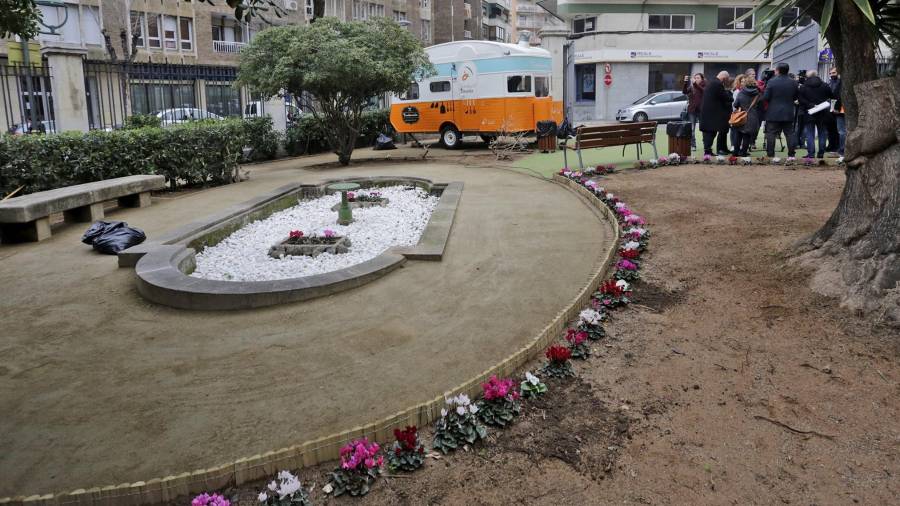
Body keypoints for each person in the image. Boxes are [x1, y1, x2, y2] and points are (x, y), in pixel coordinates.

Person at [763, 62, 799, 158]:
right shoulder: (793, 82)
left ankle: (770, 154)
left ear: (777, 70)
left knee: (771, 133)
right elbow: (796, 96)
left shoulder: (771, 82)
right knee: (789, 133)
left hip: (773, 112)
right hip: (788, 111)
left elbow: (766, 97)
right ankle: (791, 154)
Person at [797, 70, 833, 158]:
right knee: (822, 133)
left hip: (809, 112)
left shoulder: (804, 86)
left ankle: (811, 153)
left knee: (810, 133)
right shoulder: (825, 85)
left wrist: (811, 105)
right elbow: (831, 95)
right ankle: (821, 153)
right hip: (823, 112)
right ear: (817, 75)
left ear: (807, 76)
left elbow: (801, 99)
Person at [699, 70, 733, 156]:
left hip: (708, 114)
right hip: (711, 115)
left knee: (710, 133)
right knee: (710, 133)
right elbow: (725, 96)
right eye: (727, 79)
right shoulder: (717, 84)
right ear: (724, 78)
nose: (727, 81)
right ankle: (707, 152)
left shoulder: (713, 82)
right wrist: (730, 96)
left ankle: (708, 151)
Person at [732, 79, 763, 156]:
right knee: (747, 135)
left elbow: (735, 104)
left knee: (738, 134)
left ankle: (735, 152)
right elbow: (761, 104)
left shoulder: (741, 92)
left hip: (741, 116)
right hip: (752, 116)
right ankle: (743, 152)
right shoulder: (758, 93)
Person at [682, 73, 705, 150]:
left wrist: (695, 83)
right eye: (695, 78)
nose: (696, 79)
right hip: (692, 110)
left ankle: (706, 144)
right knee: (692, 128)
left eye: (698, 78)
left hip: (701, 110)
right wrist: (685, 82)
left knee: (703, 128)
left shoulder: (704, 85)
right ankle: (693, 145)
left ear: (702, 79)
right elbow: (684, 92)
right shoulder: (692, 86)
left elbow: (703, 90)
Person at [829, 67, 845, 154]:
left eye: (833, 73)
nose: (832, 75)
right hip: (839, 109)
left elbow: (838, 96)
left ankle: (842, 150)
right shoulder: (832, 83)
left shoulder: (840, 83)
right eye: (830, 73)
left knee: (842, 131)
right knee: (840, 131)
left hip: (841, 109)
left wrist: (836, 108)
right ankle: (840, 148)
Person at [730, 75, 746, 153]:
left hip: (745, 114)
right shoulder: (736, 91)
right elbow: (734, 103)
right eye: (742, 81)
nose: (743, 83)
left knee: (743, 130)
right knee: (734, 130)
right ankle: (733, 145)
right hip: (737, 113)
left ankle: (742, 146)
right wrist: (735, 112)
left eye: (744, 81)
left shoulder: (748, 91)